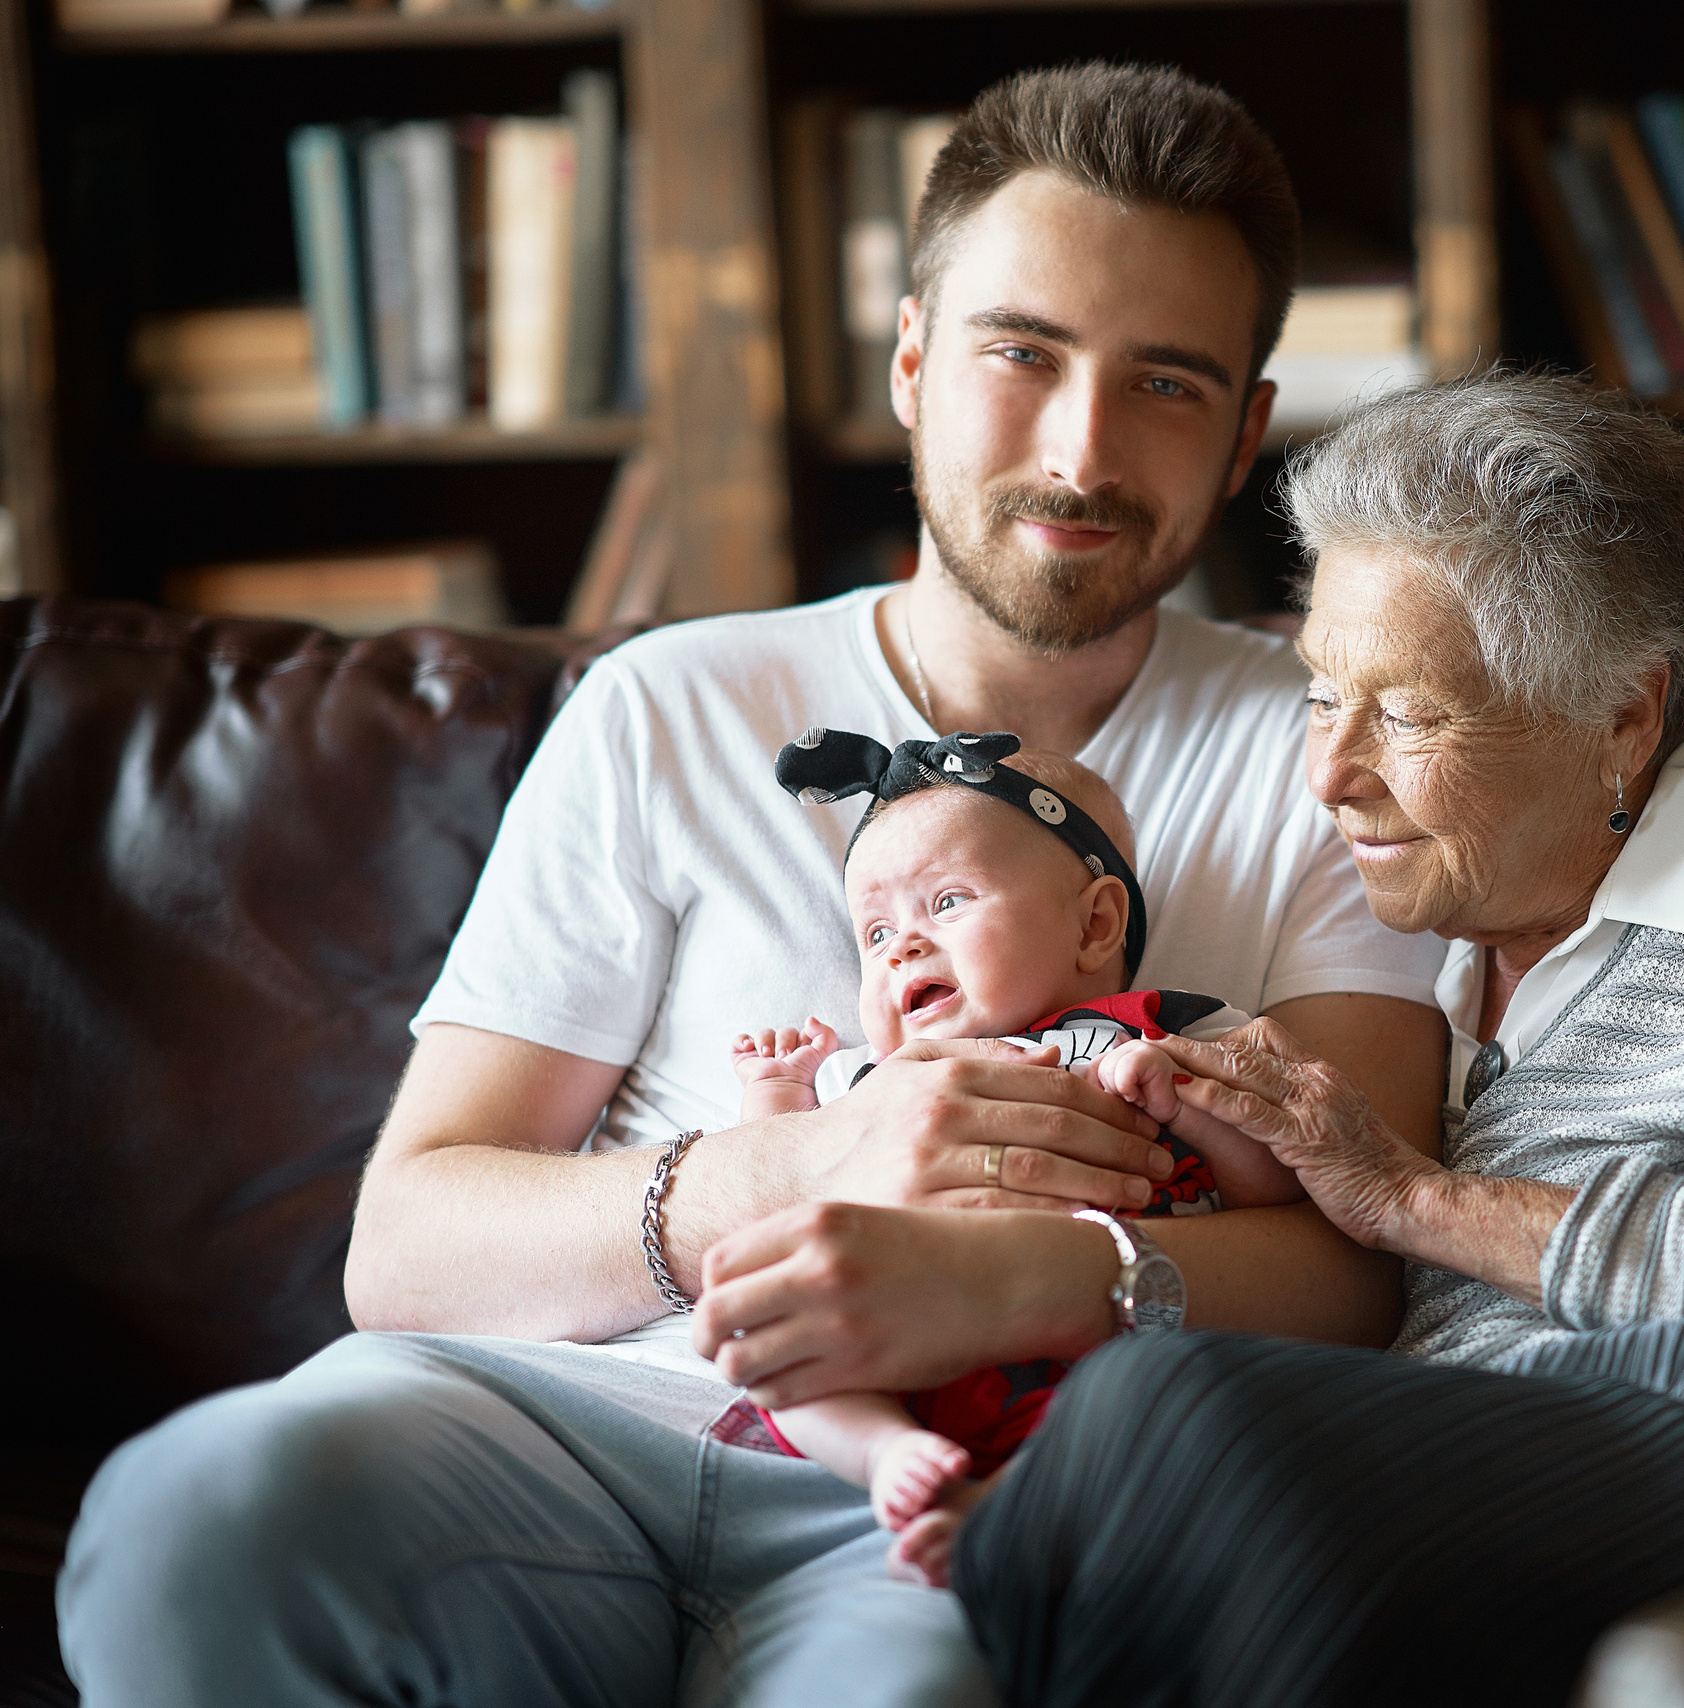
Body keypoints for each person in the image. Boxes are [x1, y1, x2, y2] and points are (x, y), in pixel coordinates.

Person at [58, 64, 1444, 1708]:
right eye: (1022, 353)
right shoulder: (671, 699)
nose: (1081, 449)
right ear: (914, 358)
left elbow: (1361, 1264)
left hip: (962, 1478)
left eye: (1164, 381)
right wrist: (788, 1163)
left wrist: (1024, 1274)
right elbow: (406, 1238)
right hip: (553, 1420)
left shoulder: (1325, 758)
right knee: (199, 1510)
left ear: (1244, 440)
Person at [932, 371, 1684, 1707]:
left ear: (1622, 720)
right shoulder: (1410, 930)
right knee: (1093, 1482)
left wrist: (1415, 1197)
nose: (1330, 773)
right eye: (1321, 696)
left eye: (1410, 713)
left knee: (1176, 1420)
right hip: (1518, 1478)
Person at [729, 732, 1302, 1587]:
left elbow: (1279, 1190)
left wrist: (1189, 1099)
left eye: (948, 902)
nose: (900, 949)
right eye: (875, 930)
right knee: (777, 1351)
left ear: (1095, 923)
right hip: (896, 1336)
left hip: (1104, 1344)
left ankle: (1010, 1502)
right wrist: (778, 1093)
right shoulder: (866, 1076)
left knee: (1178, 1413)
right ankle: (888, 1455)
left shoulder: (1172, 1029)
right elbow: (776, 1191)